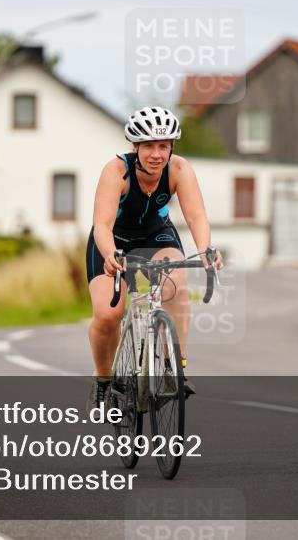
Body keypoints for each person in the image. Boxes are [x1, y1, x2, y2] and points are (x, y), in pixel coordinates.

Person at [85, 106, 223, 412]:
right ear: (135, 147)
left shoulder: (179, 170)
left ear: (172, 146)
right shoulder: (116, 171)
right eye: (148, 146)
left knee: (177, 286)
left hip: (156, 236)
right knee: (108, 315)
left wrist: (205, 250)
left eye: (163, 146)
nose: (157, 154)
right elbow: (102, 224)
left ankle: (175, 369)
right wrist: (110, 255)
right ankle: (103, 378)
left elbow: (196, 216)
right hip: (113, 242)